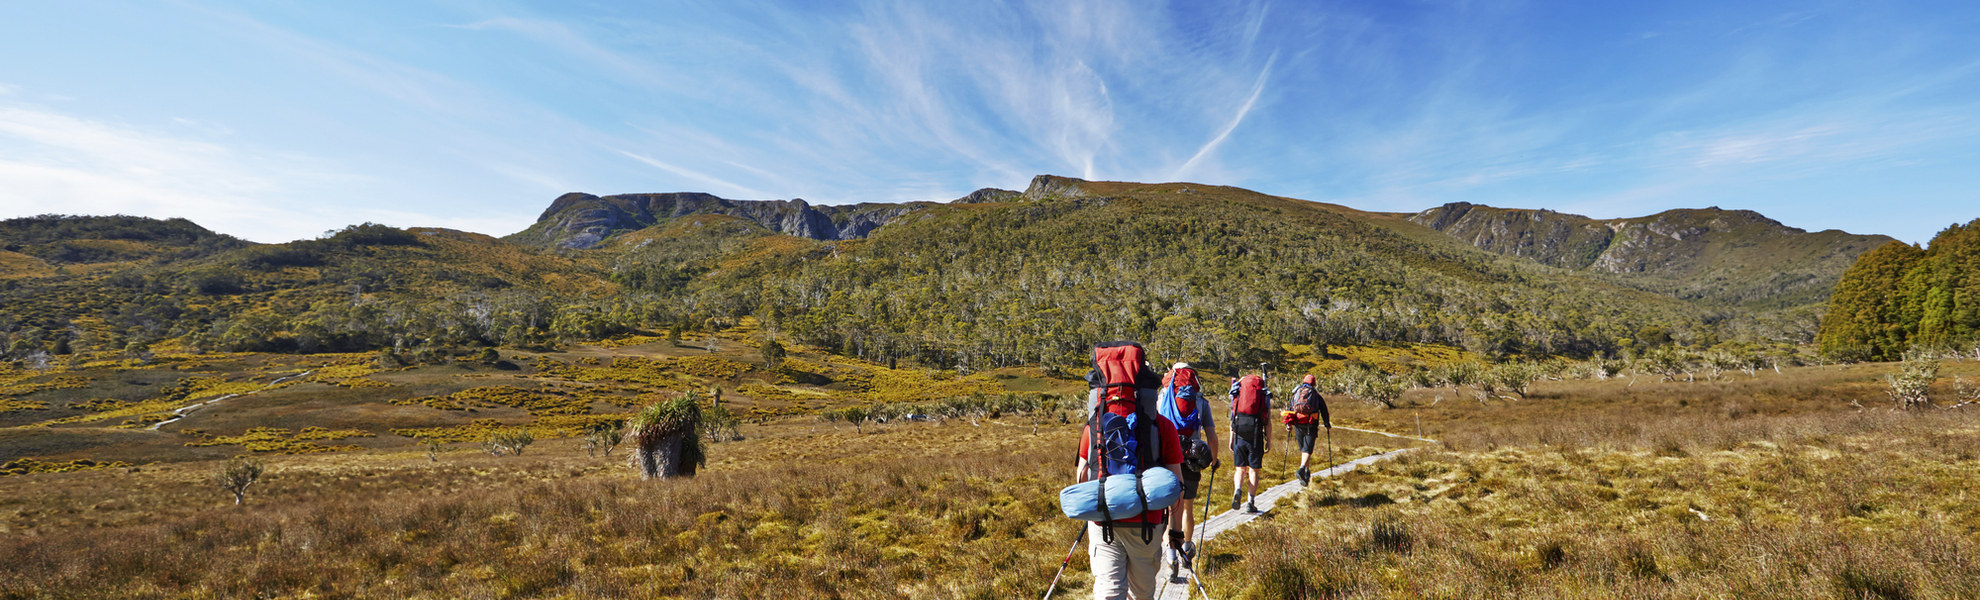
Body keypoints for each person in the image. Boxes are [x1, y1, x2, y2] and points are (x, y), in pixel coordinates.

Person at [1077, 346, 1185, 600]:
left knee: (1109, 593)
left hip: (1103, 521)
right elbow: (1177, 486)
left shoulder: (1093, 426)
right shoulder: (1163, 426)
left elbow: (1082, 477)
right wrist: (1175, 533)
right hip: (1147, 523)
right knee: (1142, 595)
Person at [1160, 362, 1218, 574]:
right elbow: (1212, 436)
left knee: (1169, 508)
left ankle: (1171, 555)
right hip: (1192, 459)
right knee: (1187, 507)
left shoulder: (1163, 396)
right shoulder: (1200, 400)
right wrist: (1213, 460)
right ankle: (1186, 549)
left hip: (1167, 459)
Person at [1227, 370, 1271, 513]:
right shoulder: (1263, 395)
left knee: (1240, 469)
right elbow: (1268, 422)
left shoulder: (1238, 393)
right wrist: (1268, 441)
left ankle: (1237, 490)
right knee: (1254, 471)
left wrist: (1231, 439)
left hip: (1239, 435)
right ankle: (1250, 502)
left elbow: (1233, 418)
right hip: (1255, 437)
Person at [1282, 373, 1332, 486]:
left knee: (1304, 449)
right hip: (1311, 424)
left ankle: (1306, 474)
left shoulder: (1296, 393)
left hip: (1298, 424)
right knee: (1308, 449)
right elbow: (1324, 409)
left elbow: (1290, 409)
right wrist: (1326, 423)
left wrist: (1288, 423)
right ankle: (1302, 469)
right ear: (1314, 383)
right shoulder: (1316, 395)